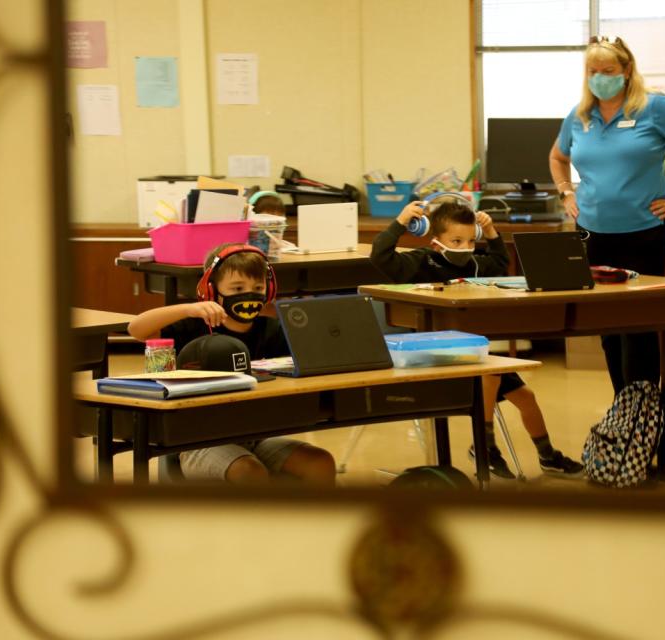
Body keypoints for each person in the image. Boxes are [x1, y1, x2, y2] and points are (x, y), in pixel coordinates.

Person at [549, 35, 665, 394]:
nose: (599, 77)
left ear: (626, 71)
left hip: (642, 234)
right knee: (609, 329)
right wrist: (566, 192)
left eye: (608, 70)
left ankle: (644, 407)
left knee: (640, 328)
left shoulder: (655, 108)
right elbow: (557, 157)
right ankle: (622, 404)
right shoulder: (580, 115)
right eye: (592, 71)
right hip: (593, 233)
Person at [370, 198, 584, 479]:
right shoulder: (421, 261)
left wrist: (492, 233)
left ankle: (548, 456)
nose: (464, 248)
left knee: (526, 397)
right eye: (456, 241)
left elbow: (499, 262)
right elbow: (380, 257)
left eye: (471, 241)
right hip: (430, 354)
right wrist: (400, 224)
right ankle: (486, 447)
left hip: (470, 352)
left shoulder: (474, 265)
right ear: (436, 241)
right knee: (489, 375)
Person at [127, 243, 336, 486]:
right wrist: (188, 309)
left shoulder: (273, 330)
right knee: (248, 471)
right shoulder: (195, 327)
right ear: (211, 290)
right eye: (237, 288)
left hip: (257, 435)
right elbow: (136, 329)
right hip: (199, 441)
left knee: (320, 462)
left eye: (258, 287)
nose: (249, 293)